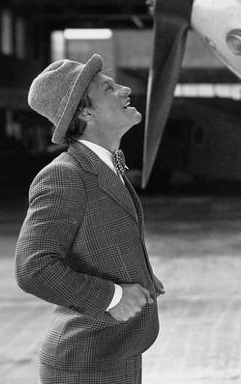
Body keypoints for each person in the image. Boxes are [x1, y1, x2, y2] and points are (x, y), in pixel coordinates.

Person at [16, 54, 164, 383]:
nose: (125, 89)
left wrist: (140, 277)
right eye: (110, 88)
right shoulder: (64, 175)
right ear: (86, 111)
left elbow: (99, 239)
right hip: (87, 362)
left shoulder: (105, 165)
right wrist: (111, 297)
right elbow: (33, 268)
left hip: (114, 350)